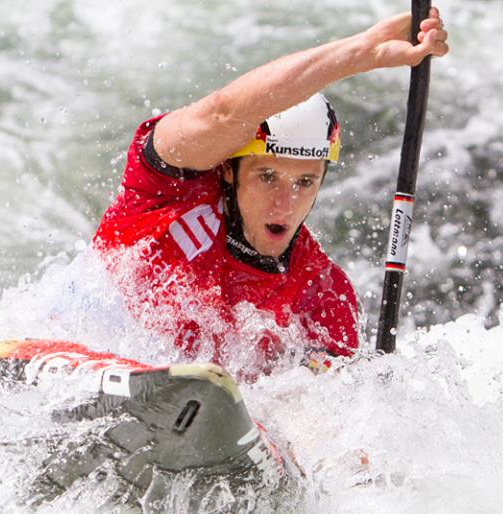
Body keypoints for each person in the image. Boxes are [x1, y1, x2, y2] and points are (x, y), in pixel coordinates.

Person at [93, 8, 449, 378]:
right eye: (267, 176)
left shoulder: (323, 296)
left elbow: (321, 414)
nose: (285, 203)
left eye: (305, 182)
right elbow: (221, 113)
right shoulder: (167, 189)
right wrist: (362, 53)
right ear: (229, 169)